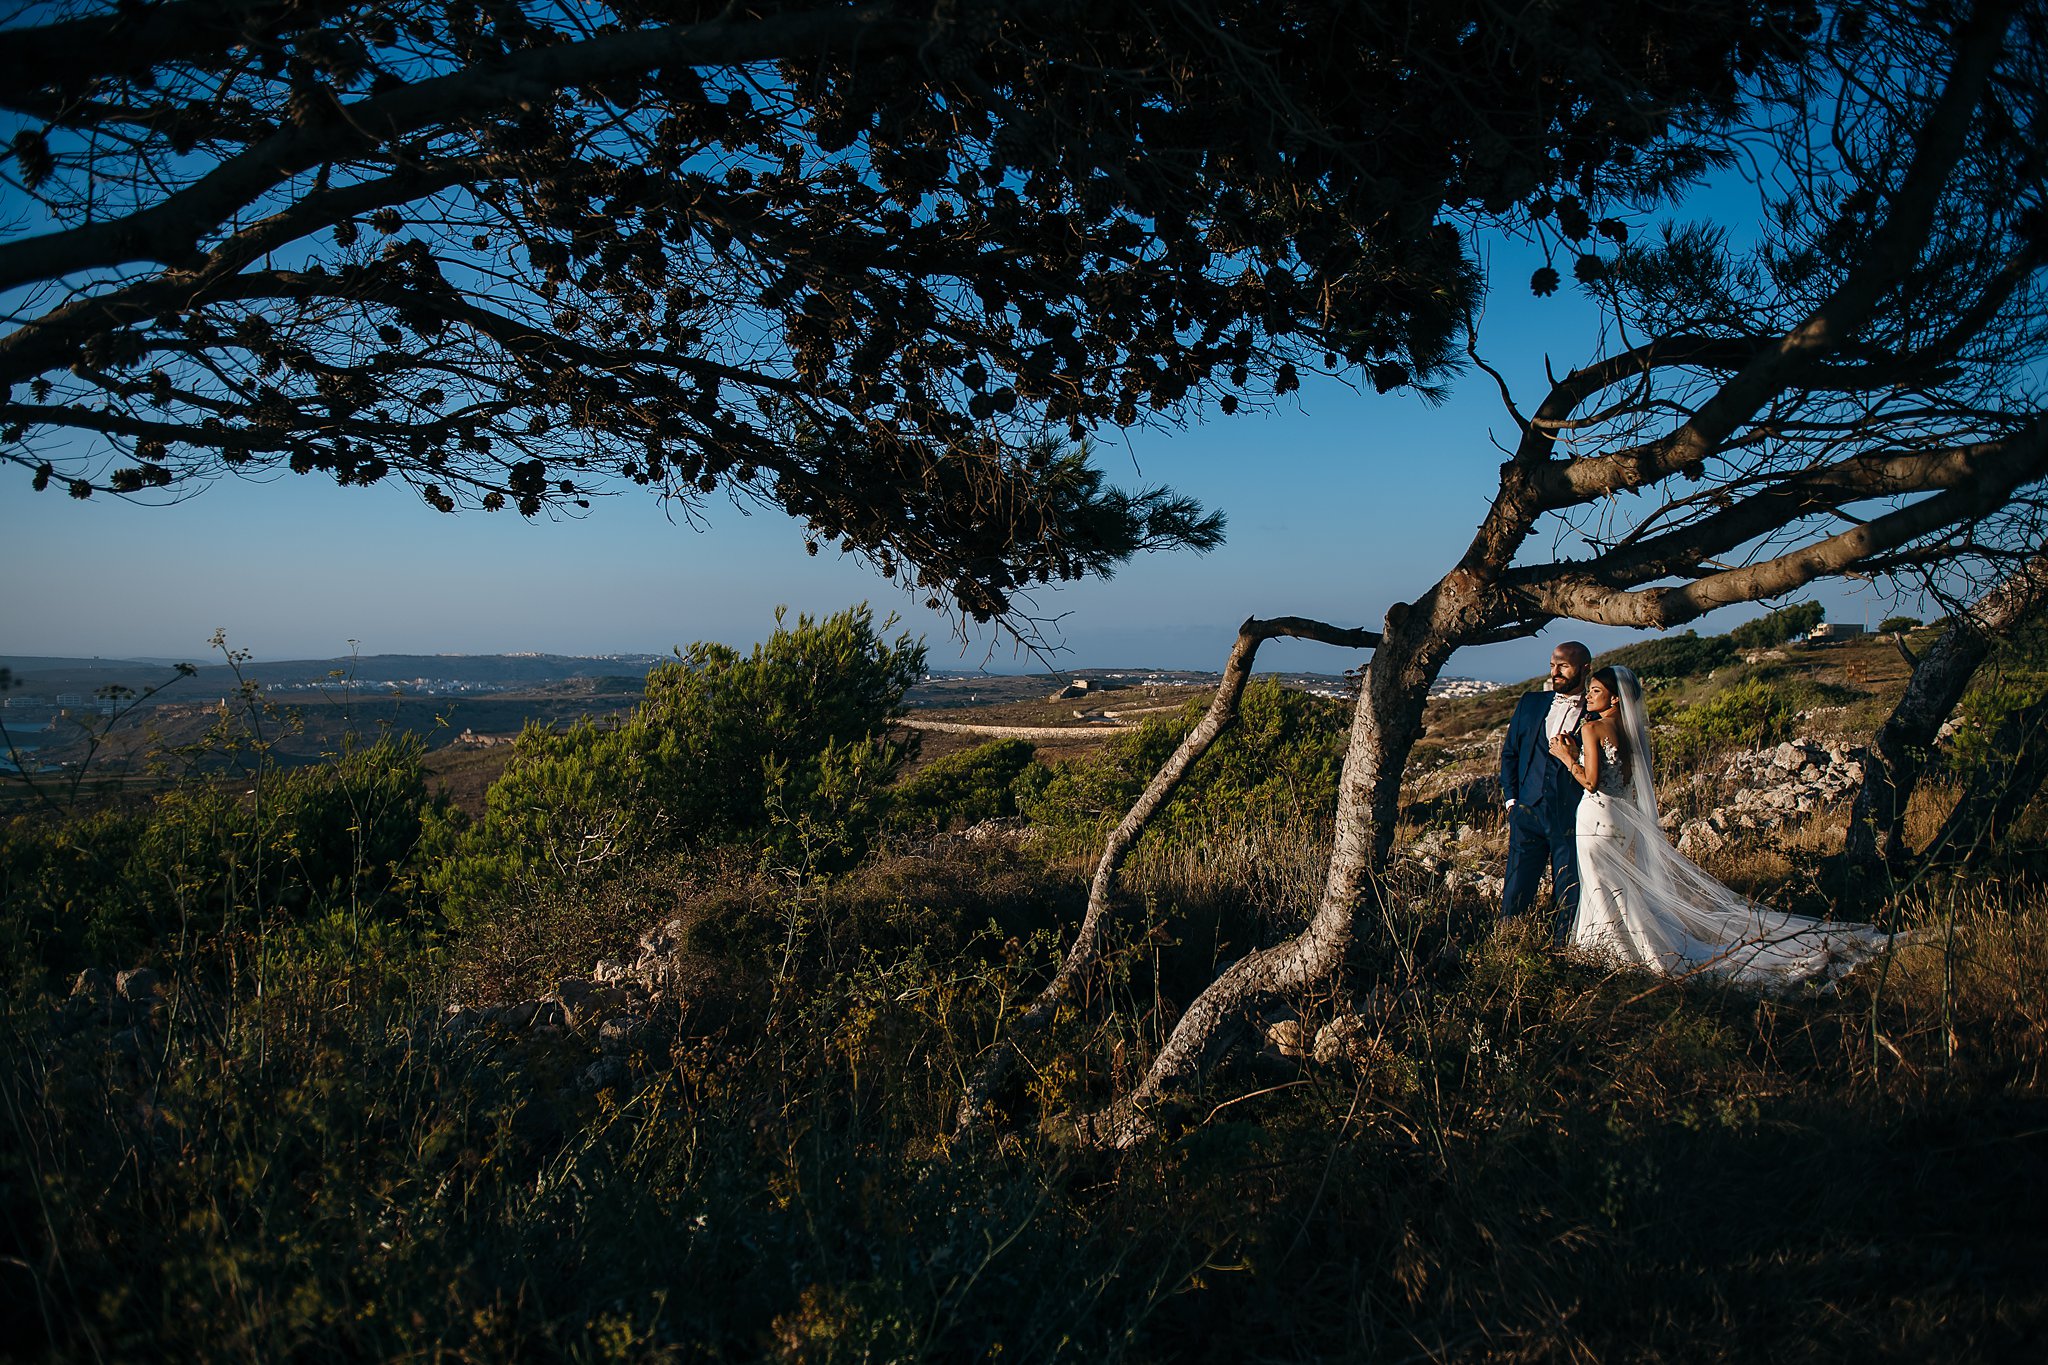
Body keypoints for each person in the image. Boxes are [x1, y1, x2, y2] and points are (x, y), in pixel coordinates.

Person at [1548, 664, 1899, 989]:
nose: (1590, 696)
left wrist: (1567, 758)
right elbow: (1624, 779)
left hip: (1597, 816)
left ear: (1613, 697)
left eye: (1595, 691)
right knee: (1619, 886)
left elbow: (1592, 782)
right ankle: (1620, 947)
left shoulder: (1594, 727)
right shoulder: (1629, 731)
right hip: (1622, 819)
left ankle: (1615, 952)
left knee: (1600, 885)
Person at [1499, 641, 1592, 942]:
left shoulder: (1596, 712)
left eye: (1563, 665)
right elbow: (1510, 753)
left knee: (1568, 889)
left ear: (1585, 668)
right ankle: (1506, 945)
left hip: (1572, 818)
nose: (1555, 672)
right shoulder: (1531, 703)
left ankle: (1561, 948)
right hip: (1526, 813)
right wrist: (1512, 801)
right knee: (1515, 888)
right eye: (1553, 664)